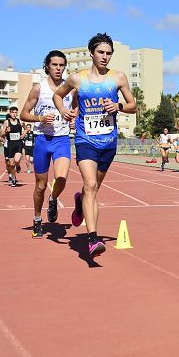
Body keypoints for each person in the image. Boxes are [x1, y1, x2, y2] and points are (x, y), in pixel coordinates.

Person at [53, 32, 136, 258]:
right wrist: (64, 111)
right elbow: (58, 96)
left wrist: (117, 106)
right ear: (91, 53)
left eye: (109, 53)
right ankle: (92, 240)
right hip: (85, 139)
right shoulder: (77, 78)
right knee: (89, 185)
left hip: (108, 142)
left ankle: (80, 202)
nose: (104, 57)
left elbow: (133, 105)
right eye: (101, 52)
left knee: (93, 189)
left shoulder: (118, 78)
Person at [19, 50, 76, 239]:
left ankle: (53, 199)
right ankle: (37, 219)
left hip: (61, 139)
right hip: (42, 140)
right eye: (55, 65)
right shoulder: (38, 88)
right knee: (41, 186)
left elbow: (75, 108)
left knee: (61, 178)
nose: (58, 69)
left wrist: (73, 118)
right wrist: (40, 118)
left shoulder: (70, 88)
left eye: (61, 65)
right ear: (47, 67)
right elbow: (23, 114)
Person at [0, 106, 25, 187]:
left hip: (18, 144)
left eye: (15, 112)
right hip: (10, 145)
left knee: (17, 160)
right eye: (12, 112)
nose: (14, 114)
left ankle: (18, 165)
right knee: (11, 164)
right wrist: (6, 131)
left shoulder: (20, 122)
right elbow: (1, 135)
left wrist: (23, 134)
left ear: (17, 113)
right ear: (10, 113)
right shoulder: (6, 122)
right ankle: (13, 178)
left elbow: (26, 129)